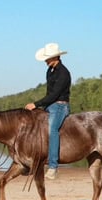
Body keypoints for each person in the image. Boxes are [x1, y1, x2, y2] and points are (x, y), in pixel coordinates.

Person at [25, 43, 71, 180]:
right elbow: (49, 93)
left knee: (52, 129)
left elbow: (55, 94)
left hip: (60, 106)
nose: (46, 61)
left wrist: (36, 104)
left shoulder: (64, 73)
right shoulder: (50, 71)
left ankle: (53, 166)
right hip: (50, 105)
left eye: (48, 58)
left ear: (56, 57)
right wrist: (41, 107)